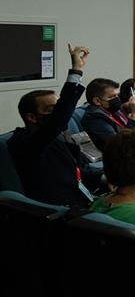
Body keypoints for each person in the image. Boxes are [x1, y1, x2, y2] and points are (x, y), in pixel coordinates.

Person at [7, 43, 98, 207]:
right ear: (32, 117)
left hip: (87, 198)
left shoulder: (56, 139)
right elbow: (60, 117)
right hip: (63, 211)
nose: (59, 114)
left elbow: (76, 172)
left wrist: (107, 177)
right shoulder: (25, 143)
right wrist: (76, 70)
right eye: (52, 110)